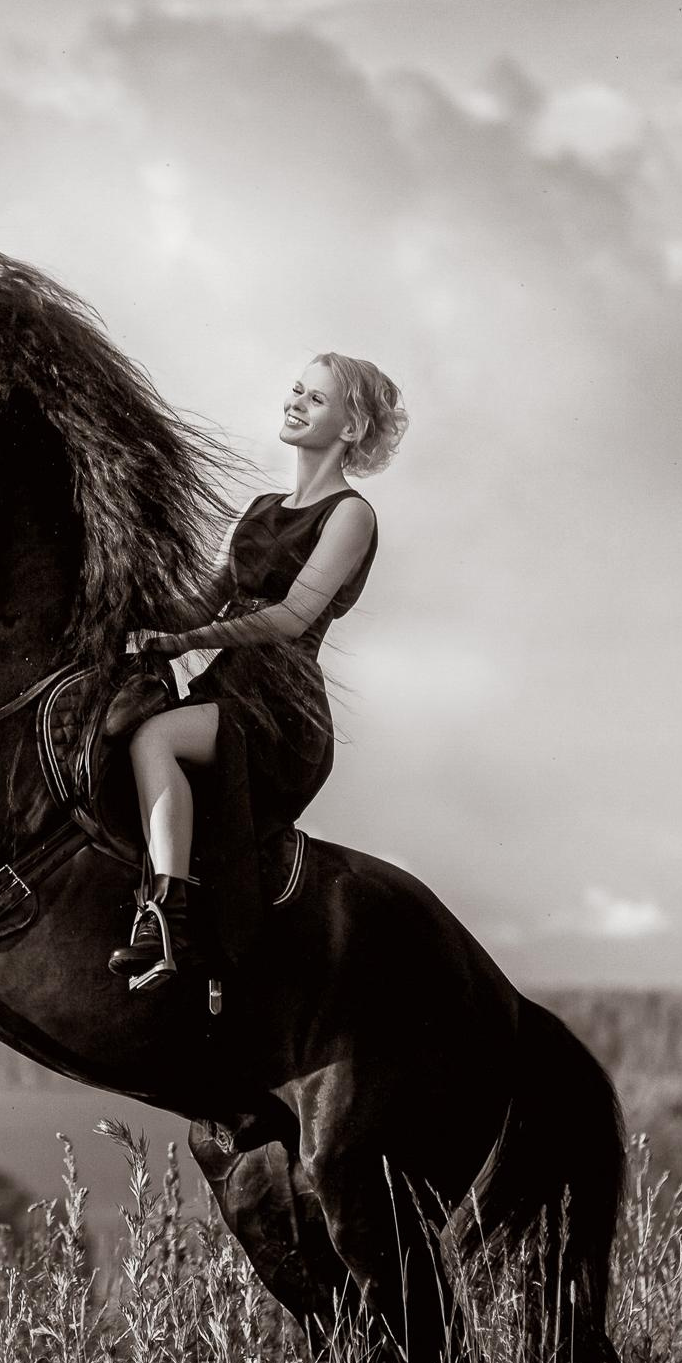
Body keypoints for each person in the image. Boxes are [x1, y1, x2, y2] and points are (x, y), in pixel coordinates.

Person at [109, 351, 403, 990]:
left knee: (153, 738)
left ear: (351, 429)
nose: (294, 403)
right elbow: (198, 599)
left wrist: (184, 638)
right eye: (296, 390)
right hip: (227, 692)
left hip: (280, 708)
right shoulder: (258, 506)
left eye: (315, 399)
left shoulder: (351, 514)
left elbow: (294, 616)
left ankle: (168, 920)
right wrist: (119, 602)